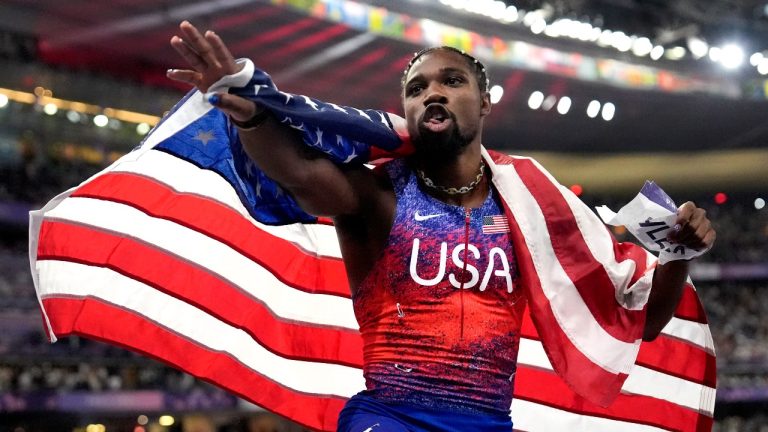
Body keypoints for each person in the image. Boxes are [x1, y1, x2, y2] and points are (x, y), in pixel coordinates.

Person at [166, 21, 715, 432]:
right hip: (390, 418)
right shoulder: (378, 194)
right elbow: (302, 175)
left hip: (490, 423)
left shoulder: (531, 213)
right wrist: (248, 110)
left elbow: (636, 323)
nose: (433, 92)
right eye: (417, 87)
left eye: (451, 81)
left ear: (484, 103)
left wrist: (677, 255)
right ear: (405, 109)